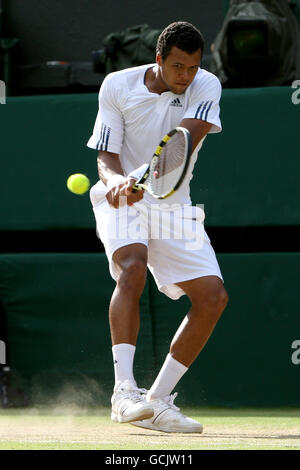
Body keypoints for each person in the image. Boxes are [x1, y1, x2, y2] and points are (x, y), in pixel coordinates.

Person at [87, 21, 229, 433]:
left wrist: (142, 179)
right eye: (178, 67)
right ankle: (123, 393)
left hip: (173, 201)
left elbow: (184, 140)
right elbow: (105, 154)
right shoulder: (116, 85)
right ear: (158, 60)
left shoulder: (206, 86)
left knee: (212, 297)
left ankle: (158, 402)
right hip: (120, 199)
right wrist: (115, 182)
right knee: (132, 265)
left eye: (193, 67)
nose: (186, 76)